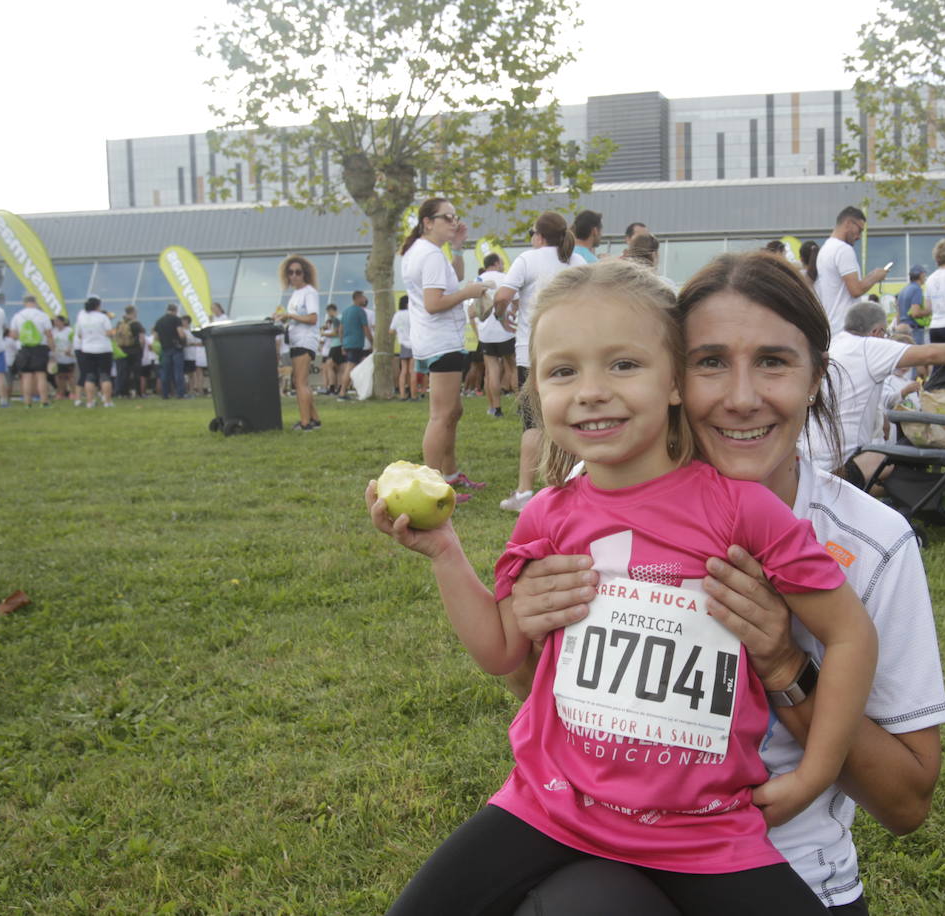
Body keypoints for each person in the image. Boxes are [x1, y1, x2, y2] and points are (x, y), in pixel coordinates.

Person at [368, 258, 877, 915]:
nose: (591, 391)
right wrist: (443, 553)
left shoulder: (740, 511)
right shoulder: (546, 516)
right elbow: (501, 651)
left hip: (705, 831)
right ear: (537, 391)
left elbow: (850, 633)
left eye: (623, 365)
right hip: (551, 805)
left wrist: (815, 773)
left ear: (674, 382)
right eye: (562, 371)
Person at [506, 251, 945, 913]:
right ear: (674, 375)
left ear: (815, 380)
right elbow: (545, 699)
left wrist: (786, 664)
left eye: (773, 361)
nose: (742, 398)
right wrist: (530, 629)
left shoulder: (872, 542)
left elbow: (907, 802)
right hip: (609, 852)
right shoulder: (588, 504)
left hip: (784, 869)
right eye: (711, 361)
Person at [806, 300, 945, 479]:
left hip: (811, 459)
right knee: (900, 464)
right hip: (841, 466)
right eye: (886, 334)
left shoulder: (836, 343)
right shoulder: (868, 347)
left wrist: (881, 417)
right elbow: (931, 353)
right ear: (877, 332)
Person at [494, 210, 588, 512]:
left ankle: (524, 492)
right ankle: (573, 487)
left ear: (538, 235)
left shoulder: (527, 260)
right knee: (573, 419)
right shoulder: (577, 261)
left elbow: (501, 296)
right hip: (573, 351)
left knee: (533, 423)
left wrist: (503, 315)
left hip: (533, 353)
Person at [401, 198, 492, 495]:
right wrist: (469, 291)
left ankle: (449, 475)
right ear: (428, 222)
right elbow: (433, 303)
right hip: (440, 341)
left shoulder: (427, 252)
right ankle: (432, 487)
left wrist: (458, 247)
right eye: (447, 217)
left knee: (453, 411)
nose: (454, 222)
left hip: (437, 341)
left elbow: (450, 279)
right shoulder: (429, 255)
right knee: (442, 415)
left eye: (455, 217)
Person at [813, 207, 888, 339]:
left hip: (831, 327)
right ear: (848, 223)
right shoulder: (843, 249)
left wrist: (870, 276)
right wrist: (876, 277)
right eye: (859, 230)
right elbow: (855, 289)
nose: (859, 236)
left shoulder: (825, 249)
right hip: (846, 330)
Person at [271, 256, 322, 429]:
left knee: (299, 383)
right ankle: (314, 419)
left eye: (298, 272)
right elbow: (298, 318)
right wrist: (283, 318)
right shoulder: (295, 294)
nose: (294, 276)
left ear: (305, 274)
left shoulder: (309, 292)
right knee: (301, 382)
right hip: (295, 340)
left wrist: (290, 316)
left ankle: (305, 422)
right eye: (290, 272)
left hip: (304, 340)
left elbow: (313, 318)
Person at [475, 254, 513, 419]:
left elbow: (472, 308)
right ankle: (522, 405)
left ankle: (496, 408)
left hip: (486, 332)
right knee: (513, 367)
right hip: (505, 330)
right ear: (496, 263)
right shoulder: (505, 278)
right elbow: (515, 300)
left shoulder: (477, 280)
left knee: (492, 370)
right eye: (502, 262)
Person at [10, 295, 54, 407]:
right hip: (40, 347)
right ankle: (44, 401)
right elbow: (49, 334)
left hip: (24, 348)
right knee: (41, 375)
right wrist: (52, 349)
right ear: (36, 302)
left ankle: (27, 402)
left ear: (24, 303)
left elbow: (13, 335)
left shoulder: (17, 316)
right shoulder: (43, 316)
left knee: (26, 376)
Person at [74, 296, 117, 408]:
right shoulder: (103, 317)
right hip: (103, 349)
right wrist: (113, 333)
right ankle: (107, 401)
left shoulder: (81, 318)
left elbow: (79, 334)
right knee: (105, 375)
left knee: (90, 376)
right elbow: (109, 332)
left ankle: (90, 401)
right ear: (98, 306)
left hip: (87, 349)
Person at [338, 290, 373, 400]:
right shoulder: (360, 311)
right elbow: (366, 329)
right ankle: (342, 392)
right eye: (363, 297)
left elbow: (340, 329)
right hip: (356, 343)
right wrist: (373, 342)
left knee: (351, 366)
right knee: (350, 366)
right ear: (358, 298)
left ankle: (347, 390)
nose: (365, 299)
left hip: (347, 343)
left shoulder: (345, 311)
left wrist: (342, 344)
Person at [153, 303, 186, 399]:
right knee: (178, 372)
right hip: (176, 348)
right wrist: (183, 341)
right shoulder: (176, 319)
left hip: (165, 348)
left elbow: (155, 337)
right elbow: (181, 334)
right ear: (175, 310)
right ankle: (180, 394)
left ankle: (165, 394)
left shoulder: (159, 321)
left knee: (165, 372)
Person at [114, 305, 146, 399]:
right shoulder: (136, 324)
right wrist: (142, 349)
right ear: (133, 312)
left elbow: (116, 337)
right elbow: (142, 339)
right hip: (135, 350)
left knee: (123, 372)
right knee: (136, 372)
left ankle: (123, 393)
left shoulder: (119, 323)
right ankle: (138, 393)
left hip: (122, 350)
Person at [390, 295, 416, 401]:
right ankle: (413, 395)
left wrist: (400, 332)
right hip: (414, 344)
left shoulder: (397, 315)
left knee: (403, 370)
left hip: (403, 344)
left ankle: (402, 394)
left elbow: (391, 330)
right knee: (412, 370)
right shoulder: (413, 314)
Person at [49, 314, 77, 404]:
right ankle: (61, 393)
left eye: (57, 321)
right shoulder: (53, 331)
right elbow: (51, 343)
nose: (55, 323)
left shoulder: (69, 331)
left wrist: (70, 350)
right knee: (59, 376)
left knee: (70, 376)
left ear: (62, 322)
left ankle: (73, 393)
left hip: (69, 358)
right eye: (54, 321)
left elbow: (74, 342)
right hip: (58, 357)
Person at [899, 264, 932, 339]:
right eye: (924, 274)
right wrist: (929, 311)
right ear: (921, 275)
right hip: (914, 330)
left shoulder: (903, 290)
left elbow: (899, 312)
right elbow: (915, 313)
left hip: (902, 329)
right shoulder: (917, 290)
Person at [319, 303, 343, 395]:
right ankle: (340, 387)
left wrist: (323, 333)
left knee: (329, 366)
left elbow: (335, 333)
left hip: (336, 344)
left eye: (328, 312)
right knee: (340, 367)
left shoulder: (336, 319)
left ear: (331, 311)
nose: (328, 314)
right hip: (340, 344)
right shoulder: (341, 317)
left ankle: (332, 387)